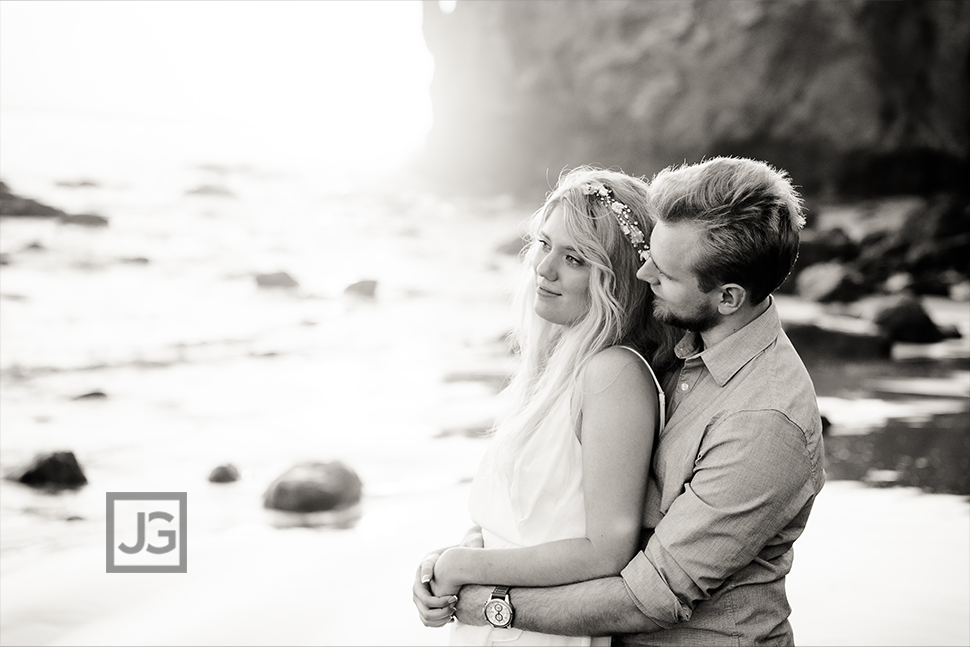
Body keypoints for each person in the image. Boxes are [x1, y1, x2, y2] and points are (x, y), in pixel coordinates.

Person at [414, 156, 825, 646]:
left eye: (666, 271)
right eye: (649, 253)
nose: (644, 272)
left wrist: (489, 602)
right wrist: (462, 554)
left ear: (728, 298)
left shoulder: (763, 421)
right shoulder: (678, 344)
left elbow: (653, 594)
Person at [416, 166, 681, 645]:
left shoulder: (613, 375)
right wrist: (453, 557)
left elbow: (606, 550)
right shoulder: (555, 370)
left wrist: (464, 566)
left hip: (549, 630)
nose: (544, 268)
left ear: (615, 279)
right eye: (544, 244)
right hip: (502, 620)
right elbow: (521, 522)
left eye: (575, 258)